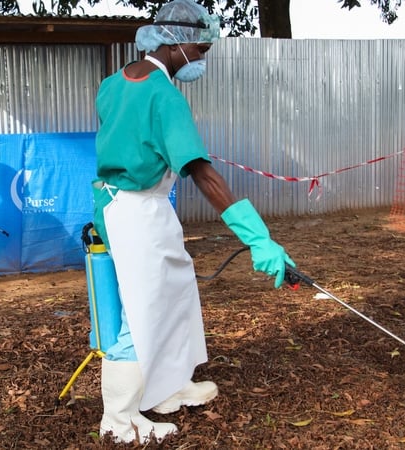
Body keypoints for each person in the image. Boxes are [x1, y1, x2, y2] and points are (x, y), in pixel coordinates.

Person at [91, 0, 295, 443]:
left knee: (178, 292)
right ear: (176, 42)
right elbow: (201, 171)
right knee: (141, 313)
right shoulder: (164, 96)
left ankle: (169, 387)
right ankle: (119, 421)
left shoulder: (112, 85)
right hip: (136, 210)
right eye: (201, 48)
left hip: (128, 204)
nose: (202, 57)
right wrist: (257, 237)